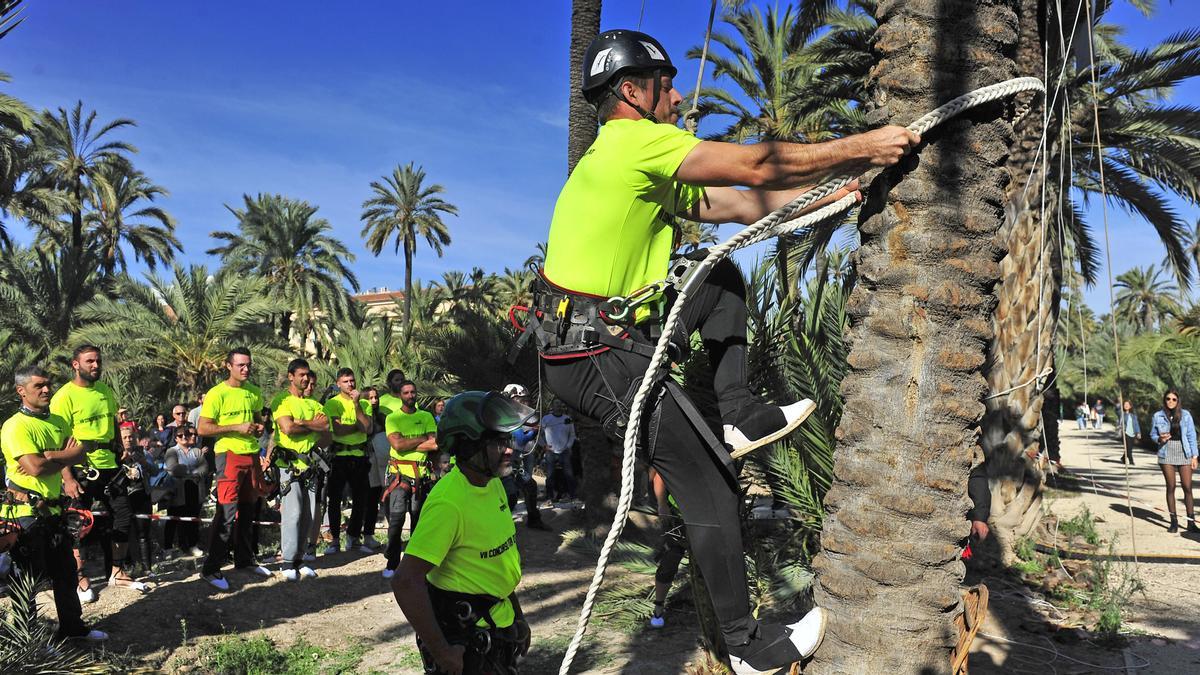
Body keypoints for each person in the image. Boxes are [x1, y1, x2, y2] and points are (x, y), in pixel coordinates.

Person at [529, 29, 916, 670]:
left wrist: (840, 191)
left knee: (721, 281)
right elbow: (756, 165)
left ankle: (736, 408)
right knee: (709, 486)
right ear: (633, 91)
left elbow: (739, 203)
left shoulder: (635, 162)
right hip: (597, 358)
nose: (678, 98)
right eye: (666, 86)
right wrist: (864, 146)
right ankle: (745, 648)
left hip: (599, 346)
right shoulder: (633, 142)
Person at [390, 390, 533, 674]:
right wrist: (442, 652)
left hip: (498, 625)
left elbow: (497, 561)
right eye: (498, 442)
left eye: (508, 440)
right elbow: (406, 581)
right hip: (468, 639)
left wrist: (517, 616)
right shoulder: (448, 503)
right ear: (468, 447)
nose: (509, 449)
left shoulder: (492, 482)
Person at [1, 366, 108, 641]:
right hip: (25, 514)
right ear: (21, 391)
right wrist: (63, 455)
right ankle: (27, 638)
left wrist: (53, 455)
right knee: (26, 580)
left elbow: (82, 452)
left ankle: (73, 628)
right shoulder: (15, 426)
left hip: (56, 511)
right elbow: (35, 468)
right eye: (39, 386)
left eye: (48, 384)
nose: (47, 389)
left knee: (66, 572)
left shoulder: (58, 421)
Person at [50, 344, 141, 601]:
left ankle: (117, 571)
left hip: (109, 465)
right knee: (77, 524)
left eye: (98, 361)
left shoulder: (104, 391)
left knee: (123, 515)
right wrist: (67, 478)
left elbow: (112, 421)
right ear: (75, 364)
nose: (96, 365)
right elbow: (59, 442)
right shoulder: (64, 397)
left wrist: (120, 447)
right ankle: (81, 578)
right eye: (90, 361)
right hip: (80, 467)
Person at [197, 347, 272, 590]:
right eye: (240, 365)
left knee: (249, 510)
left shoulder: (253, 392)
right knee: (227, 513)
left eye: (248, 364)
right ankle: (211, 568)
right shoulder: (216, 393)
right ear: (228, 366)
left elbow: (258, 419)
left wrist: (258, 427)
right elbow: (203, 428)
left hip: (251, 455)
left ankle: (244, 559)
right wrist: (236, 427)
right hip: (228, 455)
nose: (246, 369)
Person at [271, 358, 329, 581]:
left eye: (308, 375)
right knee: (293, 513)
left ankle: (301, 558)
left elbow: (325, 431)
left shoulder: (315, 405)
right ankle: (287, 560)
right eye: (301, 375)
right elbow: (287, 428)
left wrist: (301, 423)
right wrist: (309, 424)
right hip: (290, 465)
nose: (305, 379)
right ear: (291, 376)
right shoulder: (281, 401)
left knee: (310, 514)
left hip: (311, 466)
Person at [382, 380, 438, 578]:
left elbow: (434, 445)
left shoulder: (426, 416)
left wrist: (408, 443)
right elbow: (397, 445)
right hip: (399, 476)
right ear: (400, 395)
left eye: (413, 392)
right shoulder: (393, 418)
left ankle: (415, 564)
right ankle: (392, 563)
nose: (410, 396)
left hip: (421, 477)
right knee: (396, 520)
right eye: (406, 392)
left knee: (418, 521)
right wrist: (422, 439)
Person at [322, 367, 374, 555]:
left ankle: (353, 537)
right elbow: (339, 430)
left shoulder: (364, 404)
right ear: (338, 384)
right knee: (334, 500)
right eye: (345, 381)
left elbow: (368, 429)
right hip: (339, 457)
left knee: (361, 500)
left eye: (352, 380)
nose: (350, 384)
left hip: (359, 457)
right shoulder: (332, 404)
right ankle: (334, 540)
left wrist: (357, 406)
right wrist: (357, 426)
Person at [501, 384, 549, 530]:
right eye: (520, 400)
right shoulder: (507, 416)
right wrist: (534, 431)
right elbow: (521, 439)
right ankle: (502, 525)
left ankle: (533, 520)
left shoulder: (523, 415)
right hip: (510, 458)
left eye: (526, 400)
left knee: (529, 486)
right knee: (511, 492)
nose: (525, 403)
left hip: (521, 456)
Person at [1151, 389, 1198, 533]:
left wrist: (1194, 456)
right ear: (1164, 400)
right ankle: (1174, 522)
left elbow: (1191, 436)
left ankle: (1191, 522)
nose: (1170, 401)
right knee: (1170, 486)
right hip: (1166, 452)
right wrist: (1159, 439)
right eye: (1168, 399)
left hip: (1184, 452)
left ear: (1178, 401)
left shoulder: (1186, 415)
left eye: (1173, 399)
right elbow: (1152, 434)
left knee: (1187, 487)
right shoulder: (1158, 416)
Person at [647, 467, 685, 629]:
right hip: (675, 515)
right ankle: (658, 609)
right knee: (670, 559)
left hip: (698, 514)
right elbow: (658, 474)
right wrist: (662, 504)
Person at [162, 424, 207, 556]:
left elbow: (204, 467)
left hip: (194, 490)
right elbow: (173, 468)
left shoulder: (196, 451)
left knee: (193, 518)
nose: (184, 437)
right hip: (177, 491)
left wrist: (191, 473)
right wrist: (192, 472)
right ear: (175, 438)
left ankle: (192, 545)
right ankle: (168, 547)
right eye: (180, 436)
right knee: (173, 519)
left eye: (185, 435)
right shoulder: (171, 451)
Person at [539, 403, 578, 502]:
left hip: (564, 451)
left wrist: (568, 447)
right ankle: (549, 497)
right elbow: (539, 434)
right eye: (557, 405)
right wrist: (544, 445)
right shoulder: (546, 419)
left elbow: (572, 434)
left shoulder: (567, 419)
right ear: (553, 407)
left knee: (569, 475)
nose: (559, 407)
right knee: (550, 475)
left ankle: (572, 496)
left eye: (560, 406)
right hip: (550, 451)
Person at [363, 385, 386, 550]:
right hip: (366, 463)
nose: (374, 401)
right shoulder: (361, 417)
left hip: (382, 463)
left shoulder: (383, 417)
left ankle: (371, 536)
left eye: (376, 397)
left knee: (377, 496)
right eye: (370, 398)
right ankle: (363, 535)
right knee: (367, 499)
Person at [1118, 399, 1141, 465]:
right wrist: (1118, 403)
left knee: (1129, 448)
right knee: (1128, 448)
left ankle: (1123, 457)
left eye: (1127, 405)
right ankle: (1131, 461)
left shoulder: (1133, 415)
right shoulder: (1122, 414)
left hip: (1132, 433)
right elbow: (1117, 410)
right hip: (1125, 433)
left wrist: (1138, 432)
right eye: (1125, 404)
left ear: (1130, 406)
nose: (1126, 406)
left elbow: (1136, 424)